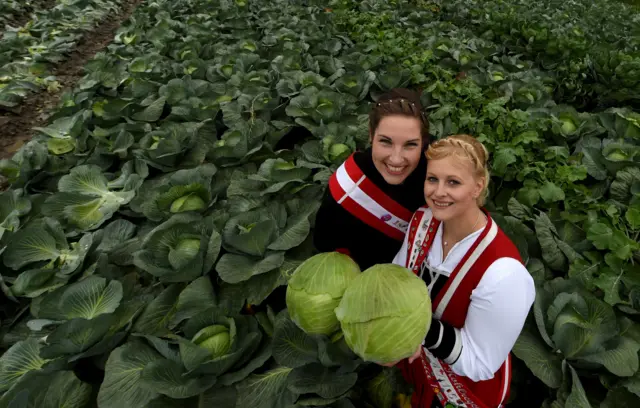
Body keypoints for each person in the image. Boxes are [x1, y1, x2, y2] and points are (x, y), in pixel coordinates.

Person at [390, 134, 535, 408]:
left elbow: (479, 362)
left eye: (453, 182)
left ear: (478, 186)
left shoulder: (503, 272)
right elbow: (399, 277)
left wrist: (414, 330)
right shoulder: (423, 220)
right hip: (420, 371)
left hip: (462, 393)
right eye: (432, 179)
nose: (438, 192)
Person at [313, 88, 431, 270]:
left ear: (423, 142)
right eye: (386, 142)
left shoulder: (437, 175)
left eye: (410, 145)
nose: (396, 159)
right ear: (370, 135)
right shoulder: (347, 188)